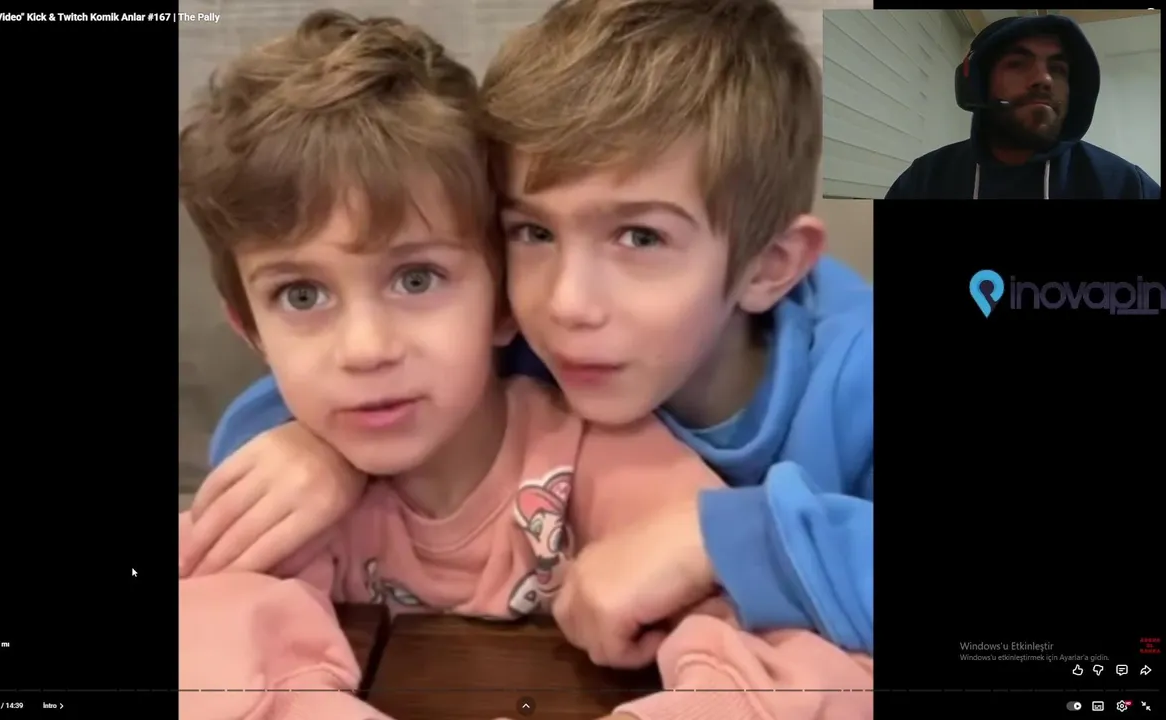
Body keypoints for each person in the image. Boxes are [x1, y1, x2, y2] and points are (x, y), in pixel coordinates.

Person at [176, 11, 873, 720]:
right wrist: (314, 448)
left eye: (641, 236)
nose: (564, 303)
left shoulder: (858, 379)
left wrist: (722, 538)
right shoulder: (531, 340)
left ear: (770, 267)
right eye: (533, 231)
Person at [885, 14, 1160, 199]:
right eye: (1017, 64)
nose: (1045, 79)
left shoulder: (1126, 187)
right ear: (978, 85)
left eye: (1058, 69)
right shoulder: (925, 182)